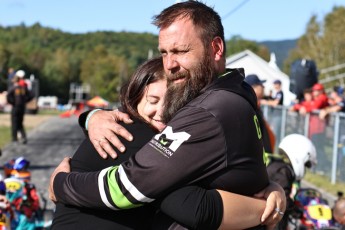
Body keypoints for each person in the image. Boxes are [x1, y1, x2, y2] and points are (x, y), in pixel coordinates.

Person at [50, 1, 286, 229]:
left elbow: (132, 187)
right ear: (133, 99)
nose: (170, 64)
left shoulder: (207, 110)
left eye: (180, 51)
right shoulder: (235, 96)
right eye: (164, 53)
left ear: (216, 48)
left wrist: (60, 183)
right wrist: (92, 117)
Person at [266, 134, 317, 230]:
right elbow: (283, 200)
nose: (305, 168)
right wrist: (299, 212)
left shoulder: (278, 166)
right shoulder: (283, 171)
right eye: (306, 164)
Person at [244, 74, 276, 154]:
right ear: (253, 88)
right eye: (260, 85)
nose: (263, 87)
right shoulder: (250, 107)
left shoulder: (255, 106)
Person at [6, 70, 33, 144]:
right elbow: (31, 95)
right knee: (20, 123)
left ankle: (14, 139)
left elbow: (8, 96)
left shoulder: (13, 88)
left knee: (14, 122)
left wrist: (12, 102)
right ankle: (23, 137)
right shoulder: (23, 87)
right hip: (22, 107)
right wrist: (25, 101)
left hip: (15, 107)